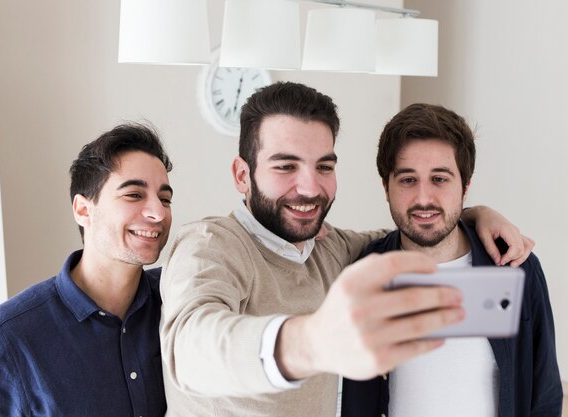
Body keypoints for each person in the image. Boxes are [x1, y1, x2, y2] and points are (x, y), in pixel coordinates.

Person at [160, 82, 533, 417]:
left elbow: (415, 228)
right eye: (286, 166)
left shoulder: (333, 249)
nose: (308, 188)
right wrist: (309, 342)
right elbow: (190, 347)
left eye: (324, 166)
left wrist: (473, 214)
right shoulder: (211, 245)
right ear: (243, 174)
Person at [341, 103, 562, 417]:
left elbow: (546, 393)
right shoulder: (362, 273)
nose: (423, 198)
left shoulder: (515, 266)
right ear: (385, 188)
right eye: (407, 180)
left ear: (465, 186)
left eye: (440, 179)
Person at [0, 123, 172, 416]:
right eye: (134, 195)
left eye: (165, 199)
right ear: (83, 210)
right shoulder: (1, 342)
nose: (159, 212)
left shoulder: (181, 300)